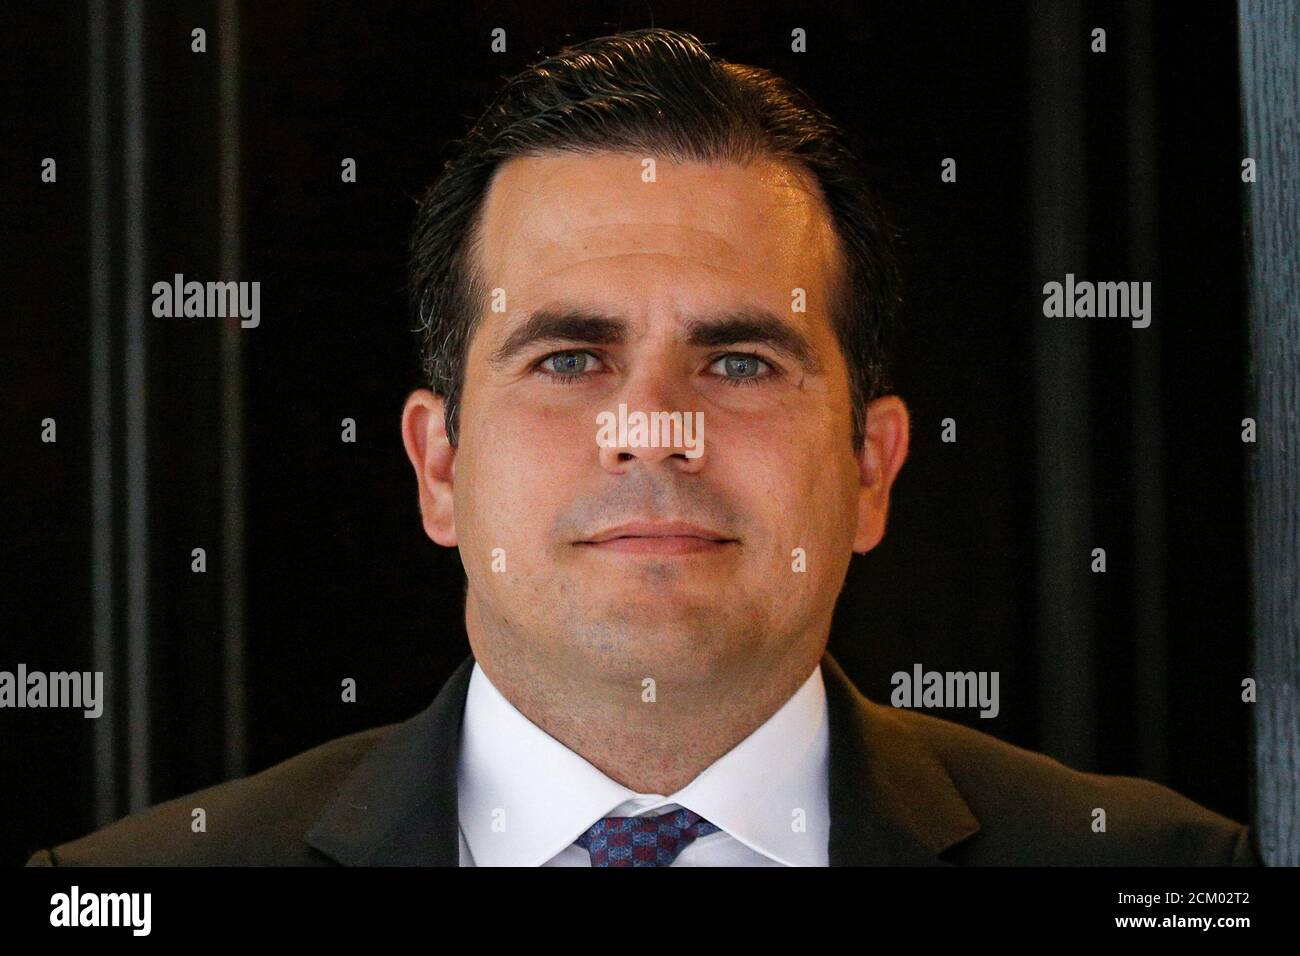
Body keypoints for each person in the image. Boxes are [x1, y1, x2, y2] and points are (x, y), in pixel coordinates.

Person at [28, 27, 1258, 867]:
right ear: (439, 466)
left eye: (739, 361)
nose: (653, 429)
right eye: (569, 360)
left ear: (871, 467)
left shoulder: (1175, 871)